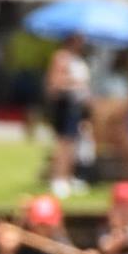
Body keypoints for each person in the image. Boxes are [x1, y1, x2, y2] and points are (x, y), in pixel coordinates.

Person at [0, 194, 95, 254]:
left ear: (58, 223)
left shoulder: (64, 246)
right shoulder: (21, 246)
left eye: (48, 225)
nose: (44, 229)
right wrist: (6, 253)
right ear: (31, 222)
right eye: (40, 225)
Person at [46, 34, 92, 197]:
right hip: (65, 105)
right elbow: (54, 84)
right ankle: (58, 178)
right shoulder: (61, 57)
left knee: (74, 144)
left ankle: (68, 176)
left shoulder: (79, 58)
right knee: (63, 143)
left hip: (78, 106)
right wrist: (73, 82)